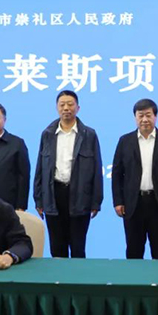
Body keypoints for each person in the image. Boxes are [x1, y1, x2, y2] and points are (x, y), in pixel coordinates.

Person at [33, 90, 103, 258]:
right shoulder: (47, 134)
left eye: (70, 104)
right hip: (54, 194)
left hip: (80, 195)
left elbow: (96, 169)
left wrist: (96, 201)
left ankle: (78, 275)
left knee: (78, 247)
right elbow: (40, 169)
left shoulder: (89, 135)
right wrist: (39, 200)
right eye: (62, 104)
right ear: (57, 108)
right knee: (57, 247)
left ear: (78, 108)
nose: (66, 108)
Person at [112, 98, 158, 259]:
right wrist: (118, 201)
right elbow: (117, 174)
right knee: (133, 250)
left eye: (148, 115)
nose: (144, 119)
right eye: (141, 115)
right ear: (135, 117)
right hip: (133, 203)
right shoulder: (125, 141)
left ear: (155, 117)